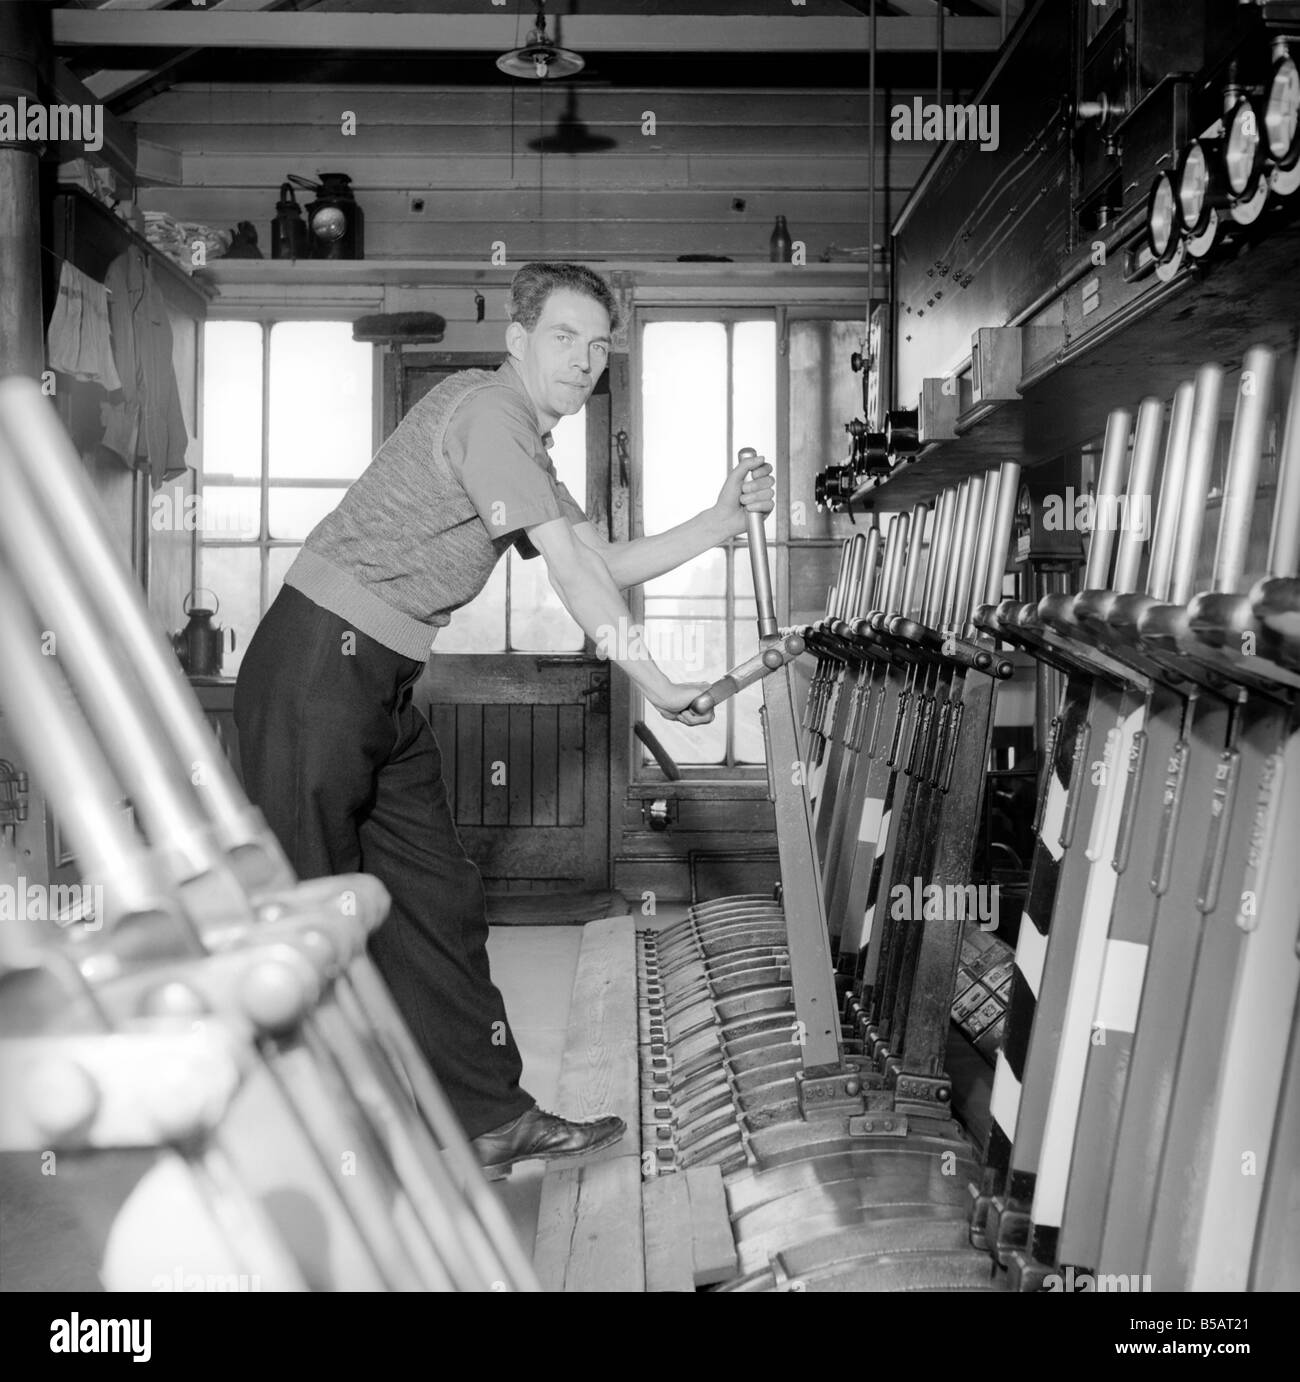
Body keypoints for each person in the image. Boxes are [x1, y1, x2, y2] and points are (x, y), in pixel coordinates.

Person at [234, 261, 775, 1177]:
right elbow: (569, 573)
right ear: (518, 340)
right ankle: (285, 1157)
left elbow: (600, 556)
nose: (585, 359)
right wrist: (650, 677)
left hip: (380, 678)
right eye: (564, 337)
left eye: (600, 343)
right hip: (319, 665)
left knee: (435, 895)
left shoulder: (521, 438)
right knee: (307, 917)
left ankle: (488, 1117)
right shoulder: (488, 411)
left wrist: (718, 522)